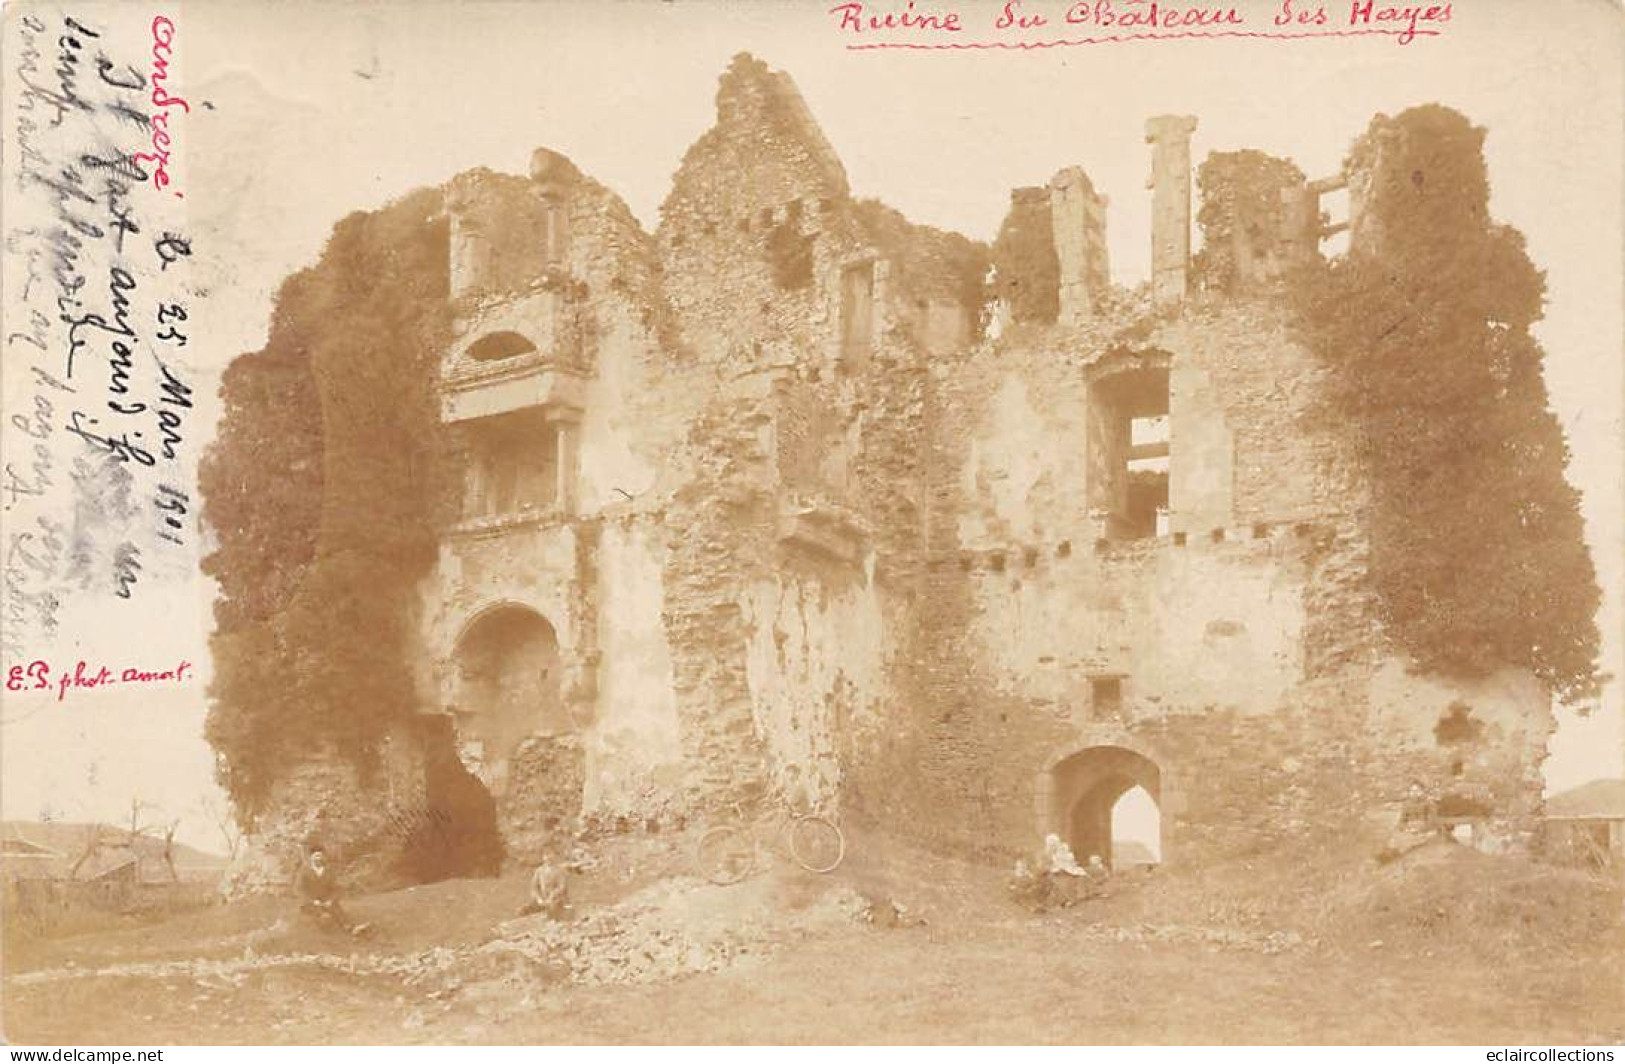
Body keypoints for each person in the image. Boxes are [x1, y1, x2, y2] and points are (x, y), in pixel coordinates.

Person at [295, 845, 369, 936]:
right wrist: (312, 901)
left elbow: (336, 888)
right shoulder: (304, 871)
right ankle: (325, 928)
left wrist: (330, 899)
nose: (318, 858)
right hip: (310, 902)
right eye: (316, 856)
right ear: (311, 858)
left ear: (323, 857)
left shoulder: (329, 871)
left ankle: (351, 928)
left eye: (320, 856)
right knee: (323, 916)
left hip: (326, 900)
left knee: (336, 909)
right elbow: (299, 889)